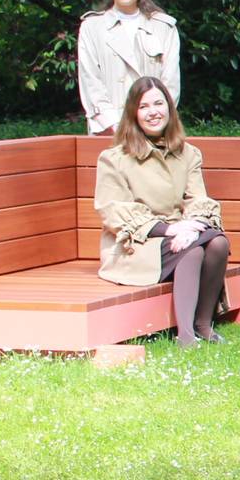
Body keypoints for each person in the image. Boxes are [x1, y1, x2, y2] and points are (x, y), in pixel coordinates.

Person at [94, 76, 231, 348]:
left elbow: (198, 199)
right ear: (134, 113)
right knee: (192, 250)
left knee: (218, 243)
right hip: (137, 243)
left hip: (182, 233)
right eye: (144, 106)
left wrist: (190, 227)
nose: (153, 112)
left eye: (158, 103)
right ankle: (186, 336)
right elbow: (113, 210)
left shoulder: (188, 154)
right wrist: (169, 229)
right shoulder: (114, 159)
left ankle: (203, 324)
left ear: (169, 107)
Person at [76, 0, 181, 135]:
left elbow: (170, 83)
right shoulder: (91, 27)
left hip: (154, 129)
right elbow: (90, 82)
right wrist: (115, 125)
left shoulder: (164, 27)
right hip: (108, 129)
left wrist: (151, 122)